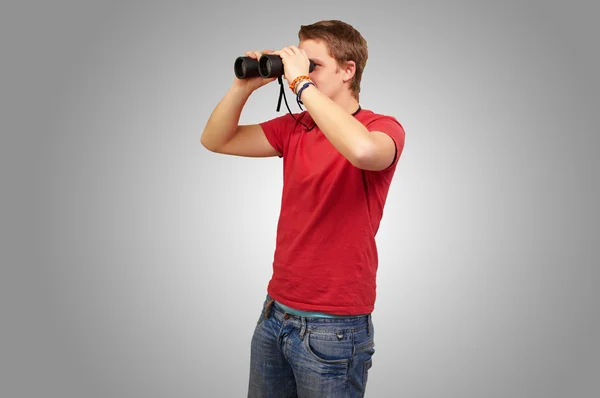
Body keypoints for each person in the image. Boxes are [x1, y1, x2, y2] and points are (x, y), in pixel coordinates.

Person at [201, 19, 405, 397]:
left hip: (334, 325)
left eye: (313, 65)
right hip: (275, 311)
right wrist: (242, 88)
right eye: (299, 64)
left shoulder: (382, 127)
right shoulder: (297, 127)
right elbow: (215, 139)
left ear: (348, 71)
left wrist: (301, 85)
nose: (300, 73)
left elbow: (362, 151)